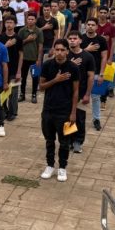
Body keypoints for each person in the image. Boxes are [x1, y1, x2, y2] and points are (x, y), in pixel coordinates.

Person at [38, 39, 79, 182]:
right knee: (49, 140)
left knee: (64, 141)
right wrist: (55, 80)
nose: (59, 53)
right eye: (57, 50)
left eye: (62, 50)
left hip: (65, 112)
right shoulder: (47, 65)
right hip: (48, 110)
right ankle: (50, 165)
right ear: (54, 50)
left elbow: (75, 92)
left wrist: (73, 112)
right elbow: (41, 87)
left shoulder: (73, 68)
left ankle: (62, 167)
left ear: (67, 51)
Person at [67, 30, 95, 154]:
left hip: (82, 92)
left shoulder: (88, 57)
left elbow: (90, 76)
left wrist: (87, 94)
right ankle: (68, 140)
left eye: (75, 38)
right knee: (67, 118)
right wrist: (70, 64)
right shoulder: (64, 55)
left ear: (80, 40)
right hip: (66, 93)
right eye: (70, 38)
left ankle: (78, 141)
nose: (72, 40)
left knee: (80, 118)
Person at [80, 18, 108, 131]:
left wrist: (102, 74)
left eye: (93, 25)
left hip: (96, 73)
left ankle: (96, 119)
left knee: (96, 98)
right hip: (82, 73)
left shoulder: (101, 40)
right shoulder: (80, 38)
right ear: (85, 26)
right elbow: (76, 54)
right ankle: (79, 118)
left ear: (97, 27)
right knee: (81, 96)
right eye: (89, 24)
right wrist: (87, 49)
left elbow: (104, 57)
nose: (90, 26)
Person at [0, 17, 23, 122]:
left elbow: (21, 55)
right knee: (2, 92)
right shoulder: (0, 37)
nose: (9, 25)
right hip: (1, 69)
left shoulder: (18, 38)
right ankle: (3, 111)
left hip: (14, 69)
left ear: (15, 24)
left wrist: (19, 71)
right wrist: (6, 45)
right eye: (7, 22)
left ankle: (12, 113)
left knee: (13, 93)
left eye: (11, 22)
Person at [17, 12, 44, 104]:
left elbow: (40, 46)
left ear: (35, 20)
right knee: (23, 77)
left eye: (32, 19)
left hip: (34, 59)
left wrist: (39, 59)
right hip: (23, 58)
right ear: (26, 20)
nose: (30, 21)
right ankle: (22, 94)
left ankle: (33, 95)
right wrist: (27, 40)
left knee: (35, 77)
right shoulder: (22, 31)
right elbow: (18, 44)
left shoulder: (39, 31)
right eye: (29, 19)